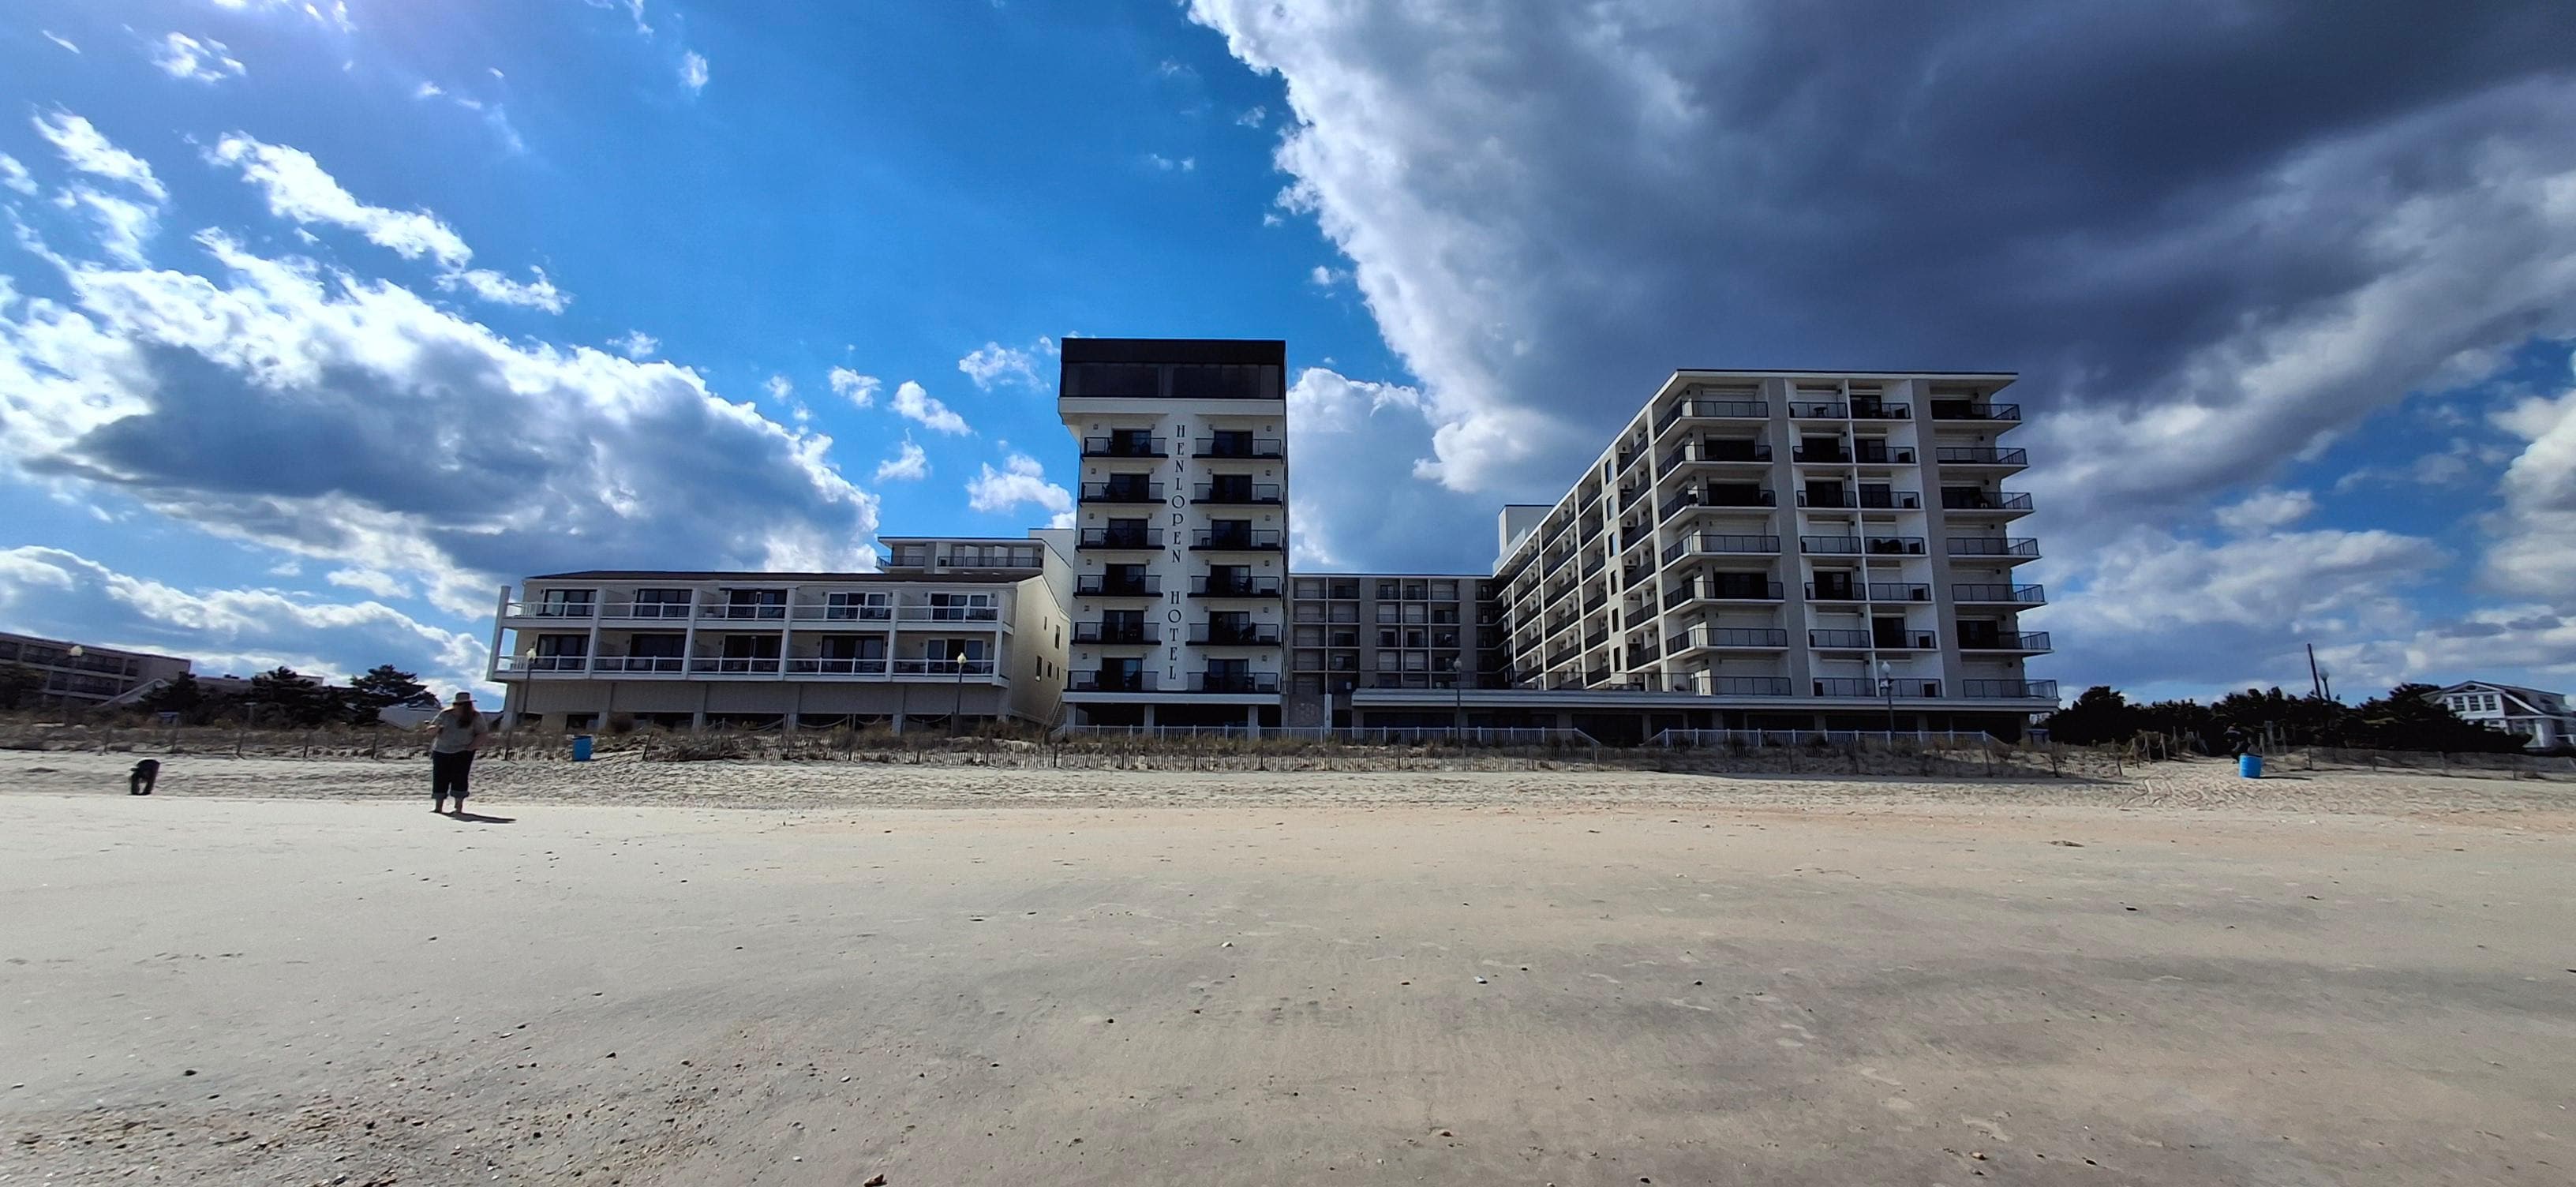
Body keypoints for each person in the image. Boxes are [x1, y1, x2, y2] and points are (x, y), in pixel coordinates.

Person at [428, 691, 492, 814]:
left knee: (460, 778)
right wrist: (434, 729)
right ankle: (438, 806)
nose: (458, 707)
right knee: (440, 777)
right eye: (456, 704)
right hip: (442, 750)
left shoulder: (475, 716)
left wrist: (472, 747)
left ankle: (458, 806)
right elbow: (432, 729)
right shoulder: (445, 714)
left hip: (463, 751)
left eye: (461, 704)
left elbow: (482, 733)